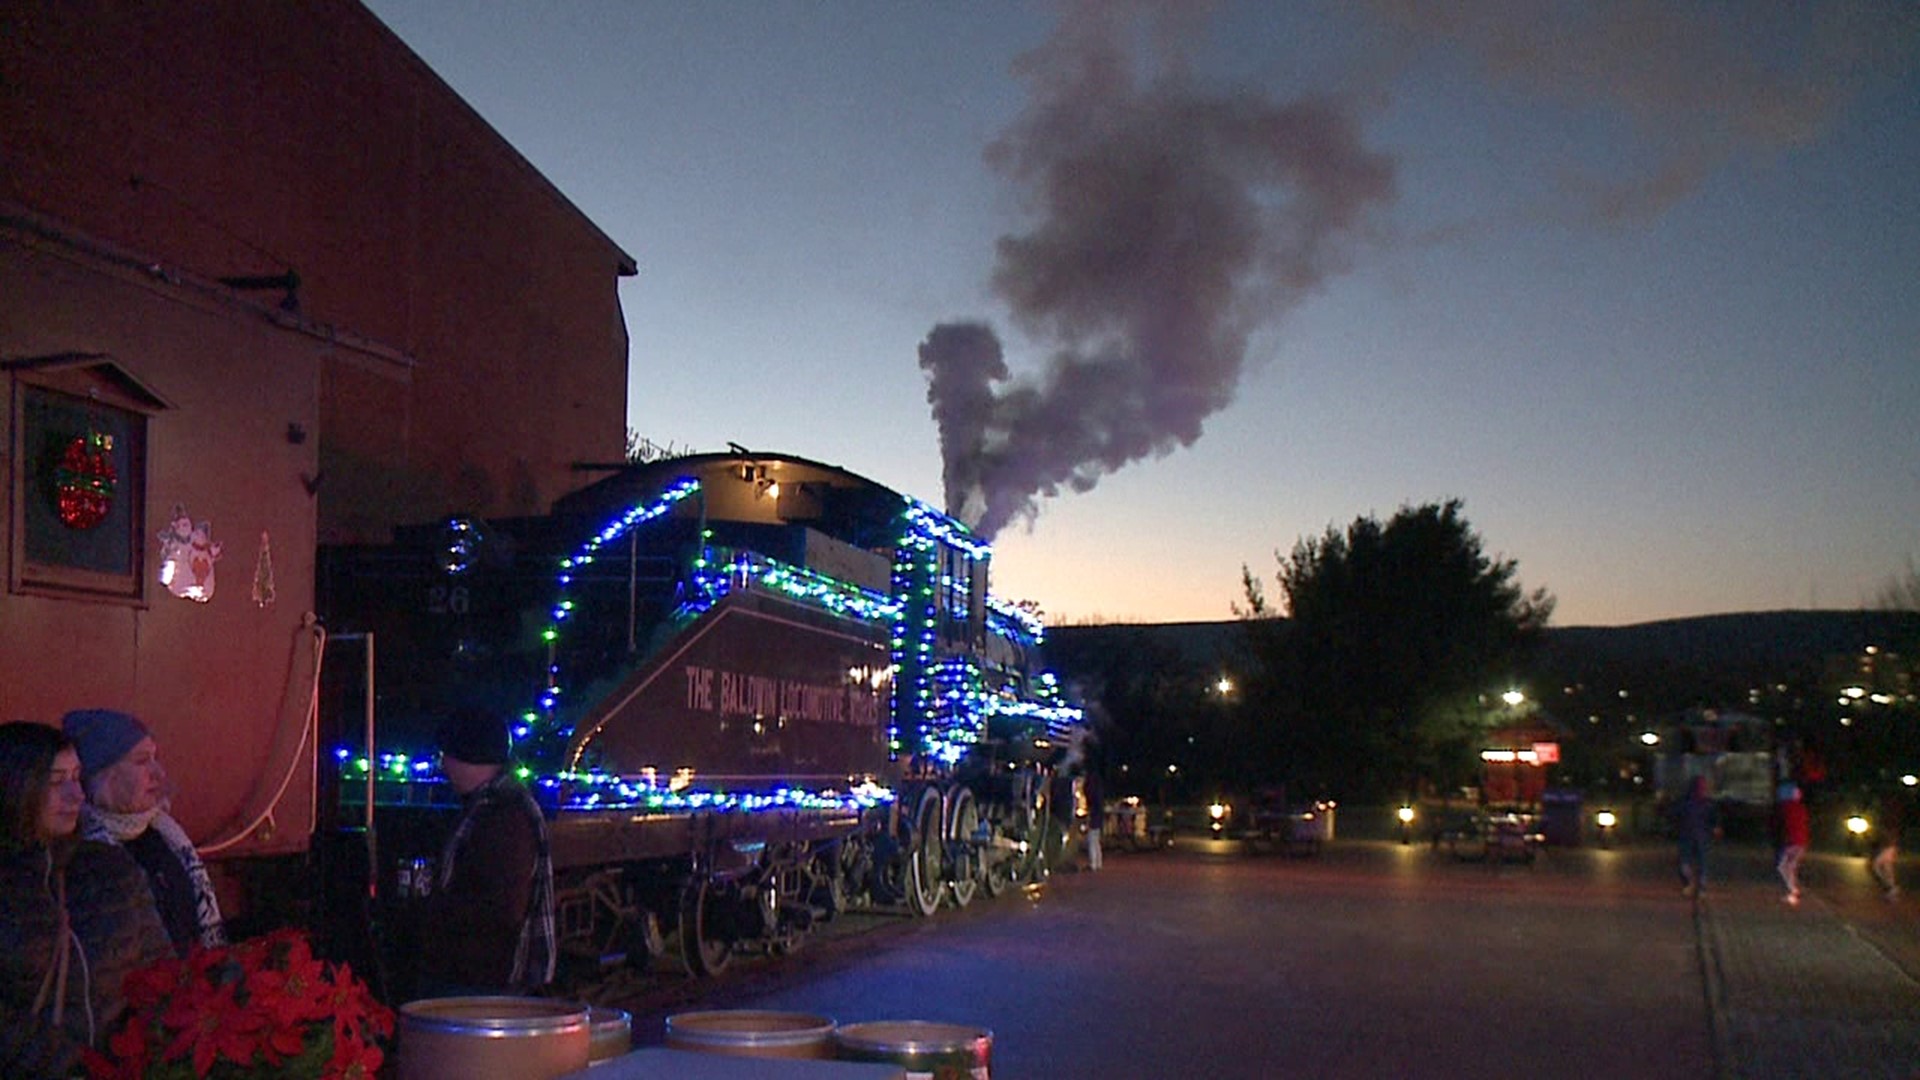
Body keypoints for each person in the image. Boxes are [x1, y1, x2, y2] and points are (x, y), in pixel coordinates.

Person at [0, 722, 173, 1079]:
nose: (76, 795)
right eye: (55, 781)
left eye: (77, 778)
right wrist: (69, 1064)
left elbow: (161, 969)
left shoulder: (110, 868)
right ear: (15, 787)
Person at [416, 707, 556, 996]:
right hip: (479, 972)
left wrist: (435, 915)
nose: (444, 766)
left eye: (448, 756)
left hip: (480, 978)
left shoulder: (503, 816)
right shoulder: (494, 806)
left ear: (468, 757)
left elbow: (501, 909)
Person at [61, 708, 225, 954]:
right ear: (102, 774)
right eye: (141, 761)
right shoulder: (77, 853)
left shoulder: (166, 837)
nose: (159, 773)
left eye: (155, 758)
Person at [1672, 775, 1716, 898]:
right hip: (1689, 835)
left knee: (1699, 862)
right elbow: (1676, 815)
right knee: (1687, 862)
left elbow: (1712, 818)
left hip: (1698, 835)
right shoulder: (1689, 802)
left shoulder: (1705, 803)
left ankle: (1698, 886)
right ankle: (1690, 884)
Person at [1774, 783, 1810, 906]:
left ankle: (1793, 892)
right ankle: (1793, 891)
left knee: (1785, 866)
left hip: (1792, 842)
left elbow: (1786, 826)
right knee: (1788, 867)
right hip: (1799, 841)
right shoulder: (1798, 808)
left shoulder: (1787, 808)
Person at [1871, 789, 1904, 901]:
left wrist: (1891, 845)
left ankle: (1892, 888)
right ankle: (1891, 890)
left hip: (1889, 847)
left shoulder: (1890, 819)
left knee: (1878, 866)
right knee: (1886, 868)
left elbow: (1890, 833)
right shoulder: (1889, 818)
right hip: (1889, 846)